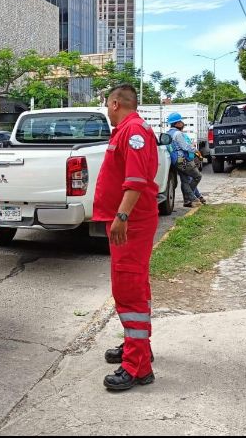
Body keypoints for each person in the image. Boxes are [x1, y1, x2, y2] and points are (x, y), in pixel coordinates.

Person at [93, 84, 159, 391]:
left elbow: (135, 181)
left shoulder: (133, 132)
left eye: (108, 105)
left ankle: (137, 366)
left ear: (116, 102)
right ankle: (137, 346)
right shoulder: (129, 130)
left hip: (130, 224)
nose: (108, 110)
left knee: (128, 289)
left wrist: (121, 216)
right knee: (134, 286)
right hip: (129, 222)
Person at [166, 112, 203, 208]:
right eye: (181, 121)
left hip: (175, 160)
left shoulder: (168, 133)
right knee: (197, 176)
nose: (182, 123)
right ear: (177, 123)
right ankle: (191, 197)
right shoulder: (178, 133)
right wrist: (195, 150)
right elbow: (185, 146)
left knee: (185, 180)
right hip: (182, 160)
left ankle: (187, 201)